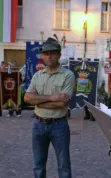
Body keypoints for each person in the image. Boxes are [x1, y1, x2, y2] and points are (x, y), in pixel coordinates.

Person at [24, 37, 75, 178]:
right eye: (46, 53)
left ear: (59, 54)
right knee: (38, 166)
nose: (49, 56)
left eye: (53, 53)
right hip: (38, 124)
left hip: (59, 125)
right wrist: (51, 97)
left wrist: (37, 100)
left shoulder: (68, 75)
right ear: (42, 56)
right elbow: (27, 98)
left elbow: (62, 104)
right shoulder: (37, 75)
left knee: (64, 166)